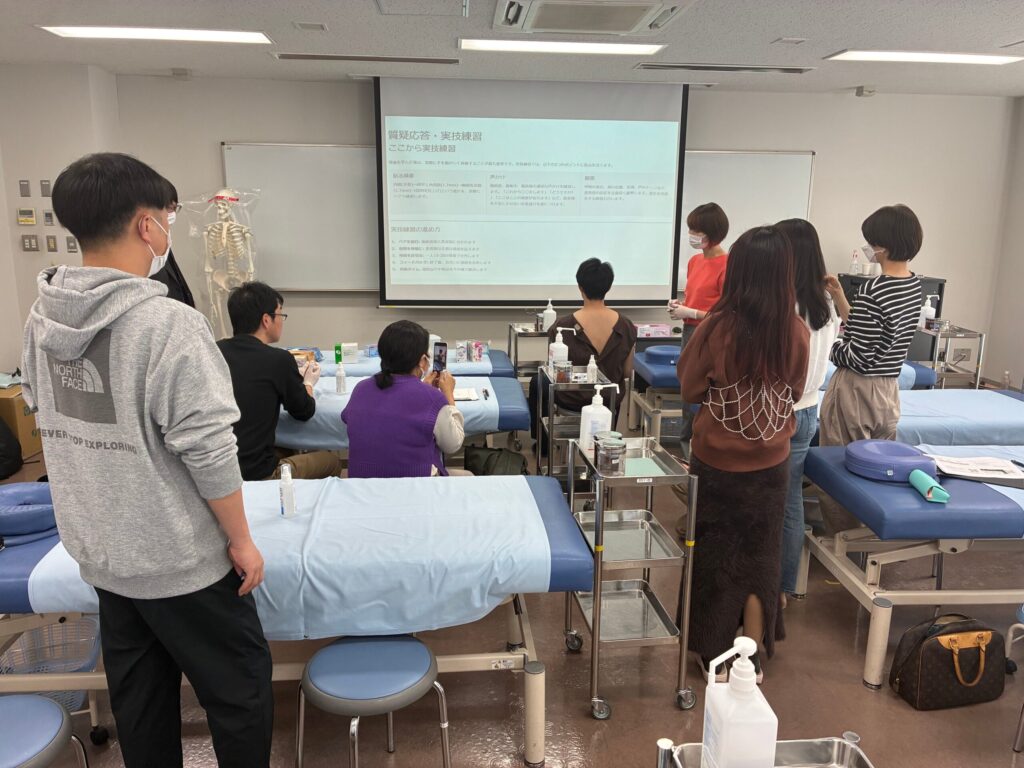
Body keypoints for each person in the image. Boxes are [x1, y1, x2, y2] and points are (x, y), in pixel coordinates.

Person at [20, 152, 273, 767]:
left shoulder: (41, 317)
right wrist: (241, 539)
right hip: (179, 558)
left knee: (142, 702)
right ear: (144, 225)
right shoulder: (168, 324)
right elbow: (209, 449)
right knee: (239, 693)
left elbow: (43, 409)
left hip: (105, 554)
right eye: (166, 217)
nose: (167, 230)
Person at [676, 226, 809, 683]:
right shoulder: (795, 330)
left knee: (715, 558)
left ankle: (713, 652)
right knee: (760, 558)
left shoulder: (717, 327)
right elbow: (794, 390)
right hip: (772, 464)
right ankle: (751, 657)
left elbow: (689, 388)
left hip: (717, 463)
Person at [818, 204, 923, 533]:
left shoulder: (874, 290)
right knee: (877, 467)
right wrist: (839, 297)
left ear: (883, 246)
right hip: (888, 390)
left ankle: (842, 542)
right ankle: (867, 534)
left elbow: (857, 356)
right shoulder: (913, 286)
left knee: (840, 469)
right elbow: (868, 333)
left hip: (856, 389)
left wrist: (824, 346)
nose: (869, 248)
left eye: (871, 242)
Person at [775, 219, 842, 601]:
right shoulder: (826, 303)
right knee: (791, 500)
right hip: (808, 410)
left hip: (780, 412)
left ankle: (769, 586)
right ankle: (785, 586)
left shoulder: (787, 304)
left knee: (769, 499)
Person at [217, 281, 342, 481]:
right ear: (266, 320)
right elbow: (304, 411)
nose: (281, 321)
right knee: (331, 461)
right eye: (280, 315)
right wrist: (308, 383)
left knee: (286, 448)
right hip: (259, 472)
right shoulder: (278, 360)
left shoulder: (214, 352)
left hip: (217, 470)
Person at [529, 258, 637, 437]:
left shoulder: (563, 326)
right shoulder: (626, 325)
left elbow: (553, 373)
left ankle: (542, 442)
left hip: (571, 399)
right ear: (608, 287)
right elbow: (626, 372)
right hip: (609, 400)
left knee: (537, 381)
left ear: (580, 287)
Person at [343, 320, 466, 477]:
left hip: (362, 484)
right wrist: (448, 394)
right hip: (414, 485)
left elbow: (348, 418)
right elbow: (453, 444)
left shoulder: (361, 389)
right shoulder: (433, 398)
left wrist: (422, 389)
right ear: (423, 361)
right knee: (467, 476)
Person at [669, 202, 729, 444]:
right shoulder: (695, 261)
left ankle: (703, 447)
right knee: (688, 390)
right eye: (691, 229)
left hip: (712, 335)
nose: (691, 235)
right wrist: (680, 305)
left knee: (705, 393)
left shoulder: (728, 264)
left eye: (696, 230)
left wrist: (691, 311)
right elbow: (697, 297)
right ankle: (686, 448)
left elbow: (726, 314)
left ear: (713, 233)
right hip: (689, 331)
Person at [149, 181, 196, 307]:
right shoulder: (147, 251)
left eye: (175, 208)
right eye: (170, 208)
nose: (172, 214)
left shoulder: (164, 243)